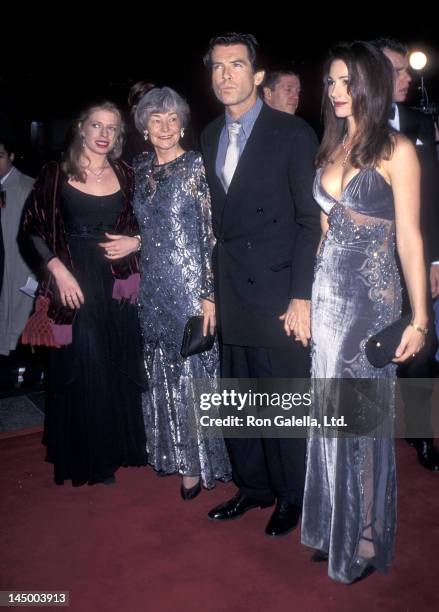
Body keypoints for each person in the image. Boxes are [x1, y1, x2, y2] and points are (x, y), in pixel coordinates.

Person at [301, 41, 428, 583]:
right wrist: (306, 300)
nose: (335, 92)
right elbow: (325, 235)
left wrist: (419, 319)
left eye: (345, 81)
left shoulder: (396, 150)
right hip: (328, 301)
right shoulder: (332, 146)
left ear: (369, 84)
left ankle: (368, 534)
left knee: (363, 426)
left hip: (370, 306)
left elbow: (410, 240)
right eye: (330, 82)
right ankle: (336, 522)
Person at [200, 33, 320, 536]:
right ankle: (252, 488)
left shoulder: (291, 134)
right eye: (218, 67)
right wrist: (211, 291)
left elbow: (310, 221)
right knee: (239, 396)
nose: (226, 75)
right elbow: (215, 225)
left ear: (258, 75)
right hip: (232, 291)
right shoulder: (208, 135)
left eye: (237, 64)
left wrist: (302, 295)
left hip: (277, 294)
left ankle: (293, 495)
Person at [21, 101, 147, 486]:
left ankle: (123, 447)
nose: (104, 134)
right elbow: (30, 229)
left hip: (119, 281)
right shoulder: (55, 173)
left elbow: (154, 220)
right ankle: (92, 458)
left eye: (111, 127)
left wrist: (136, 242)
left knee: (117, 361)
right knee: (86, 364)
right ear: (81, 127)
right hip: (74, 281)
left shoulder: (128, 172)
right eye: (96, 125)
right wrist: (57, 271)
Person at [133, 86, 231, 499]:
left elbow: (213, 233)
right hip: (152, 286)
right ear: (144, 127)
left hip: (191, 288)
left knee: (195, 375)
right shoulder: (137, 169)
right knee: (163, 372)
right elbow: (144, 228)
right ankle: (172, 453)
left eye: (173, 119)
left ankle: (198, 464)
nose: (166, 127)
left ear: (183, 124)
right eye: (157, 119)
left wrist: (210, 294)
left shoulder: (196, 167)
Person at [374, 37, 439, 471]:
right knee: (372, 349)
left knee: (421, 346)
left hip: (415, 258)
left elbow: (433, 197)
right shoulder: (346, 125)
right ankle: (373, 438)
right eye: (396, 70)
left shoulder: (419, 123)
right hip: (367, 263)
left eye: (406, 70)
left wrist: (435, 260)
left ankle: (421, 434)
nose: (406, 78)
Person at [0, 139, 34, 356]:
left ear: (11, 156)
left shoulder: (28, 187)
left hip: (19, 272)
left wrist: (34, 279)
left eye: (0, 156)